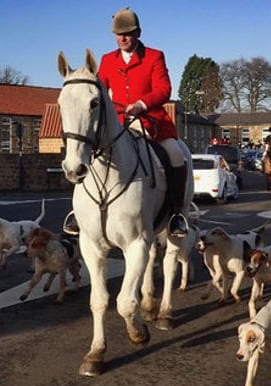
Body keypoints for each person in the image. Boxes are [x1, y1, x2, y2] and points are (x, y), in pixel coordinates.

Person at [63, 8, 189, 237]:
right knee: (86, 153)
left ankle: (176, 214)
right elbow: (98, 91)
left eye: (128, 33)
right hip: (119, 123)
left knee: (176, 155)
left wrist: (142, 104)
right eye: (119, 34)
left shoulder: (154, 56)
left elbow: (164, 89)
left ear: (138, 33)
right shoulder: (107, 60)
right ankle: (78, 212)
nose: (123, 38)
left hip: (151, 122)